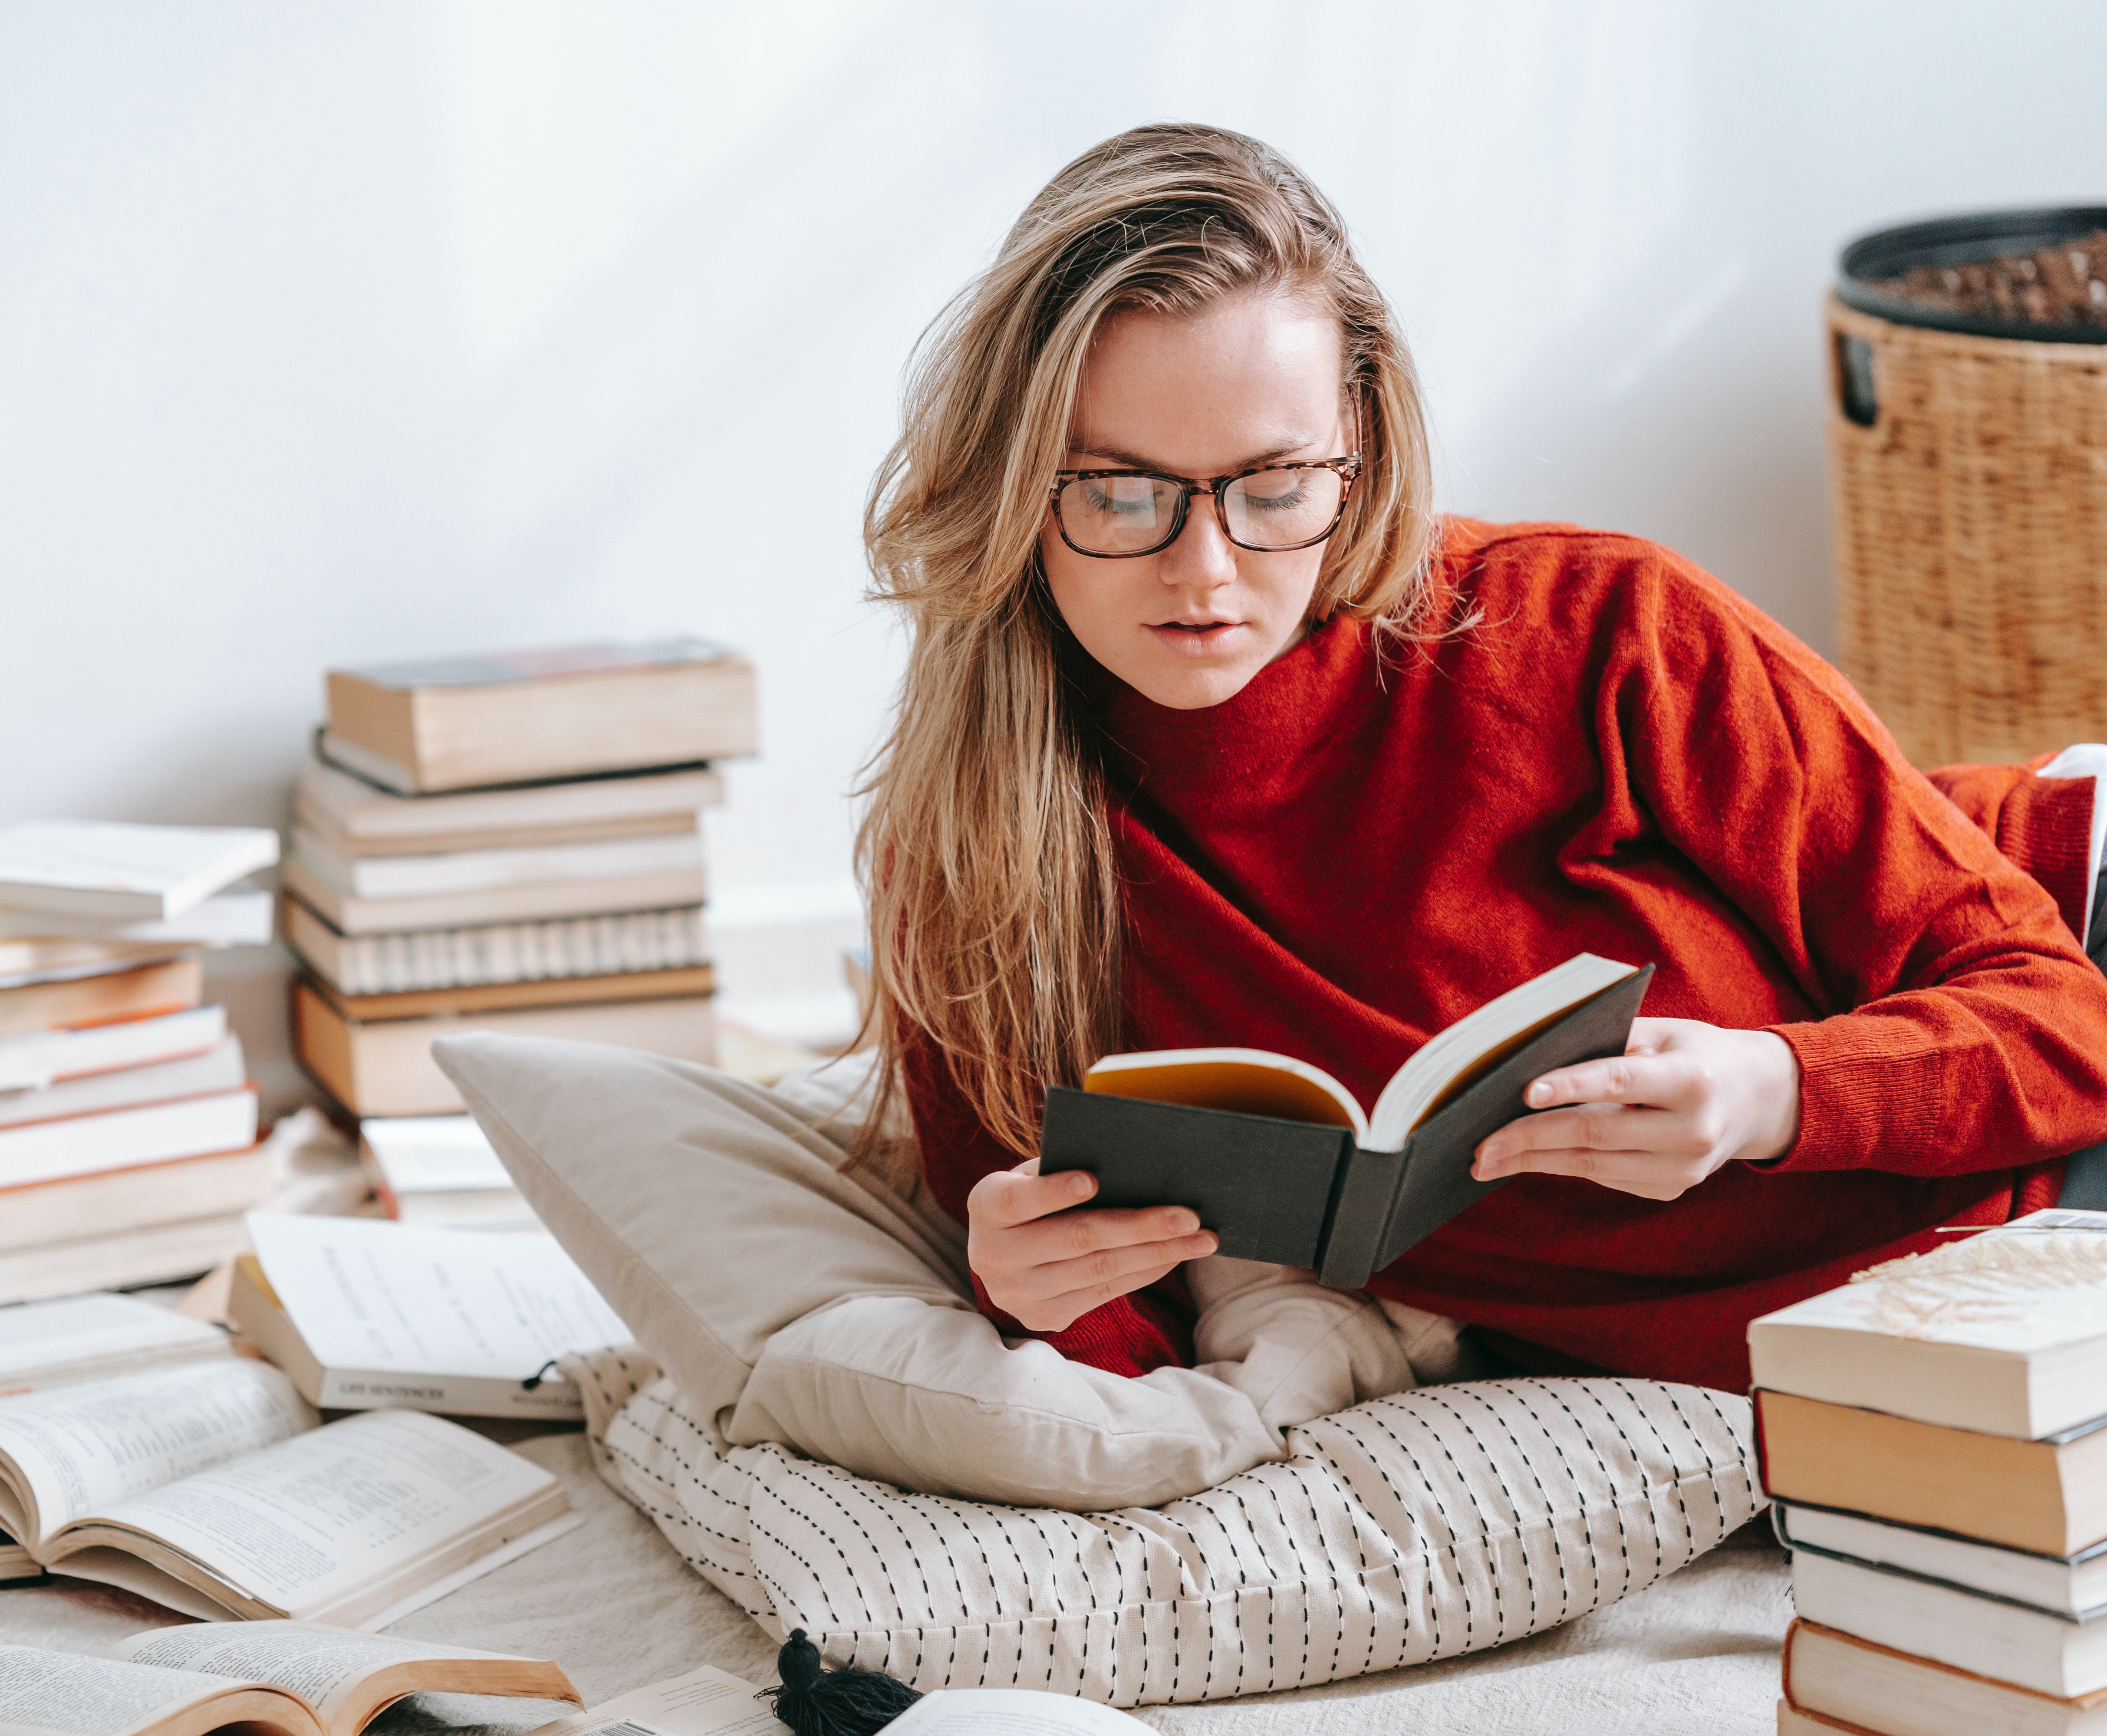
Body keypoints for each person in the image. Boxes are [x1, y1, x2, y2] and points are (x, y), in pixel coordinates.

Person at [849, 121, 2107, 1403]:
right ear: (1018, 483)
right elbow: (1113, 1344)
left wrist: (1769, 1089)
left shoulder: (1598, 626)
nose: (1206, 571)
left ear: (1362, 450)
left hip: (2042, 1092)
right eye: (1120, 492)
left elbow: (2069, 1023)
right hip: (1817, 1333)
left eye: (1276, 487)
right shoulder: (975, 845)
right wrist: (1030, 1288)